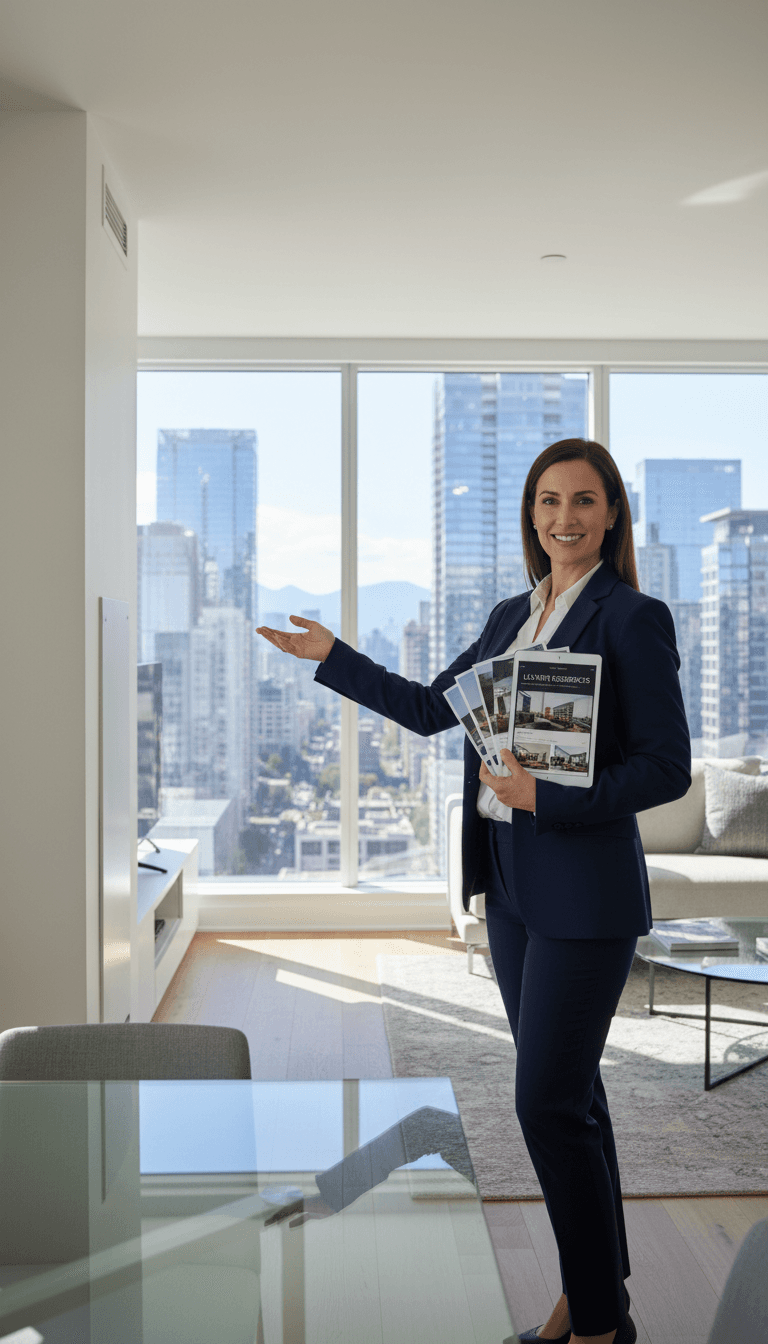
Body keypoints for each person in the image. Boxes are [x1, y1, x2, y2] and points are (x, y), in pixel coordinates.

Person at [257, 437, 691, 1344]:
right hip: (513, 890)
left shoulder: (629, 616)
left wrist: (550, 794)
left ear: (611, 513)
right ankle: (595, 1299)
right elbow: (430, 708)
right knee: (579, 1100)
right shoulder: (509, 617)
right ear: (531, 515)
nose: (562, 518)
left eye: (582, 501)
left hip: (585, 894)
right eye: (547, 501)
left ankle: (599, 1329)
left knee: (544, 1105)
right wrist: (333, 654)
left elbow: (667, 769)